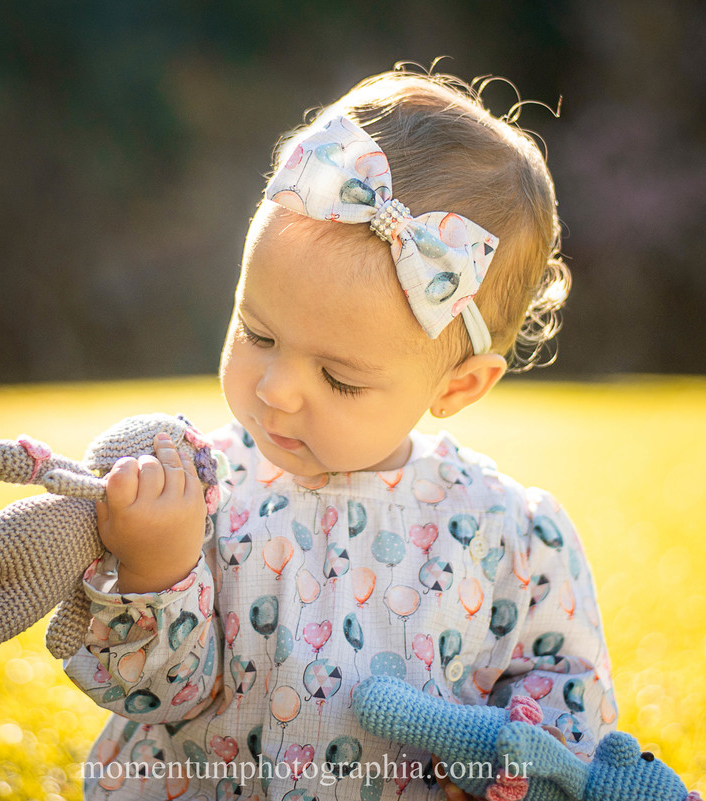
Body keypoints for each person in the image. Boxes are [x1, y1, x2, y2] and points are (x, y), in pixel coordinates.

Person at [62, 67, 615, 801]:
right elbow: (153, 693)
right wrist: (154, 570)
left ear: (457, 386)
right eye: (256, 331)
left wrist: (514, 759)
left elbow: (572, 701)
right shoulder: (195, 492)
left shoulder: (512, 539)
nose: (275, 389)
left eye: (340, 378)